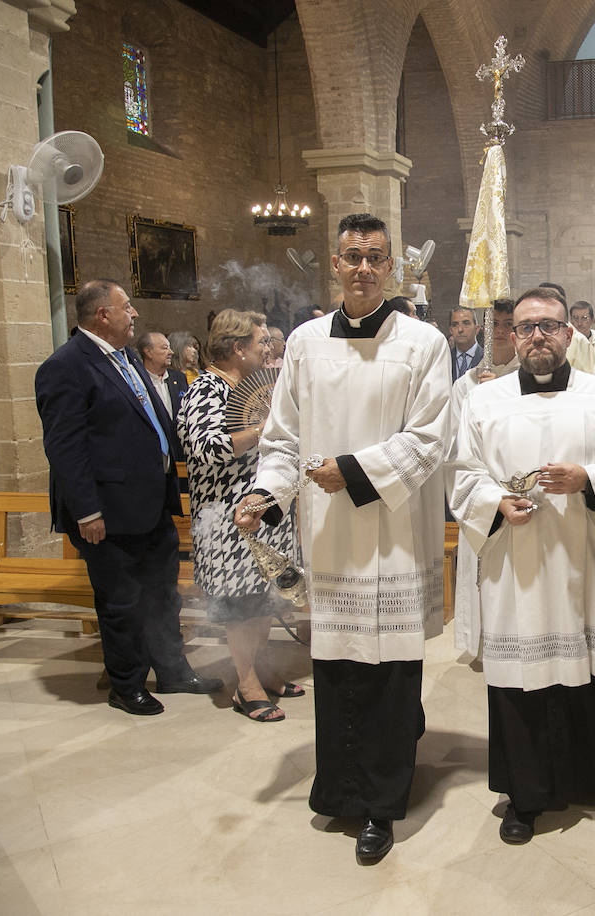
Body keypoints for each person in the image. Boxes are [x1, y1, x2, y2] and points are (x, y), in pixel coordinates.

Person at [234, 213, 451, 865]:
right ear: (336, 262)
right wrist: (266, 492)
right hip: (329, 537)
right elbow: (282, 438)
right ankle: (340, 788)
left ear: (390, 268)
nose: (362, 267)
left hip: (391, 532)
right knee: (336, 669)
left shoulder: (423, 343)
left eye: (374, 257)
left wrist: (352, 470)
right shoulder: (303, 343)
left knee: (386, 670)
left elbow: (431, 438)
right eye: (352, 255)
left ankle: (382, 807)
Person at [449, 288, 595, 845]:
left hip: (583, 559)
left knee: (588, 663)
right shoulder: (482, 402)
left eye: (549, 325)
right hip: (516, 567)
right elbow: (461, 474)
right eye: (526, 327)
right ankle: (526, 793)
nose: (537, 335)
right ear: (512, 337)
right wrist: (495, 502)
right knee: (524, 676)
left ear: (570, 333)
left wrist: (588, 479)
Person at [35, 280, 223, 716]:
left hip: (151, 502)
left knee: (162, 595)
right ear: (103, 314)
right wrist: (87, 510)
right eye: (127, 307)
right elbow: (65, 447)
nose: (134, 314)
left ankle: (173, 670)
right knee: (122, 602)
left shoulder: (125, 359)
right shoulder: (66, 366)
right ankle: (127, 684)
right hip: (108, 509)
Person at [176, 310, 300, 723]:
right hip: (226, 521)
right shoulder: (205, 390)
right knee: (239, 606)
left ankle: (264, 673)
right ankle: (245, 686)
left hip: (262, 512)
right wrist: (263, 430)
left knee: (263, 600)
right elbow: (205, 449)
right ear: (235, 347)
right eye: (260, 342)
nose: (267, 349)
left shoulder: (251, 385)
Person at [445, 296, 519, 660]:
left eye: (509, 325)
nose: (502, 332)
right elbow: (458, 447)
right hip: (483, 489)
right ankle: (483, 641)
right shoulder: (466, 385)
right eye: (496, 325)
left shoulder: (532, 376)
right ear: (483, 330)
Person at [137, 331, 188, 420]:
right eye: (165, 348)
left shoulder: (179, 378)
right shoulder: (138, 381)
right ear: (148, 352)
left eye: (170, 348)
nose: (171, 352)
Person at [448, 306, 483, 382]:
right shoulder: (445, 359)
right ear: (450, 330)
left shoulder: (487, 359)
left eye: (466, 323)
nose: (460, 329)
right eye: (455, 325)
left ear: (477, 329)